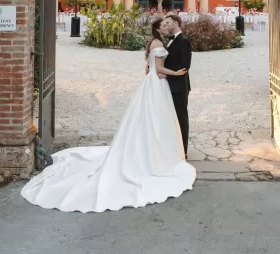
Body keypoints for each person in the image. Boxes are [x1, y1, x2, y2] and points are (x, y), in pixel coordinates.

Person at [21, 19, 196, 213]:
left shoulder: (155, 42)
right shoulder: (159, 43)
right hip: (159, 84)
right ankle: (155, 152)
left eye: (168, 24)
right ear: (157, 28)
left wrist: (153, 70)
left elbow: (151, 65)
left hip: (156, 84)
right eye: (164, 25)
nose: (166, 26)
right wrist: (174, 73)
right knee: (155, 118)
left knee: (155, 118)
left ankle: (159, 148)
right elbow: (160, 68)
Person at [163, 14, 192, 156]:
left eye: (168, 23)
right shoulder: (169, 41)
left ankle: (183, 150)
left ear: (175, 23)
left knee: (181, 118)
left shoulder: (183, 41)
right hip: (168, 85)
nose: (166, 25)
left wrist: (166, 73)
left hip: (179, 86)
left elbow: (185, 65)